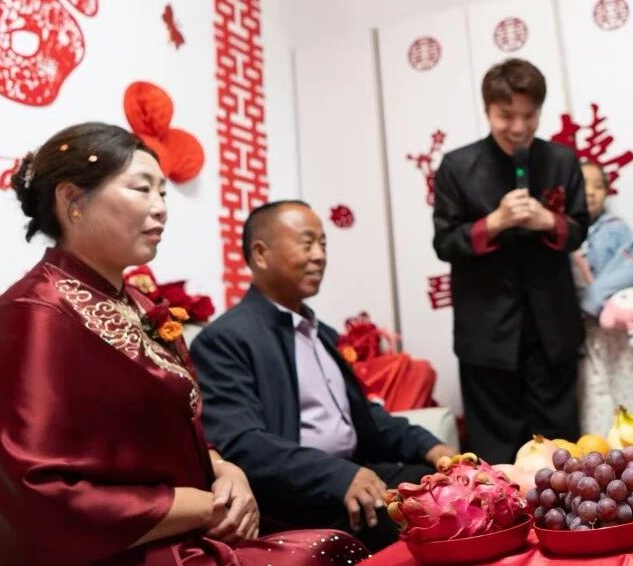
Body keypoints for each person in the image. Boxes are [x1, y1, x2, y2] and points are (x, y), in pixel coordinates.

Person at [0, 123, 366, 565]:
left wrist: (227, 471)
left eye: (163, 193)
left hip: (173, 532)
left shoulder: (140, 305)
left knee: (331, 544)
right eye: (141, 189)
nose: (160, 208)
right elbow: (34, 493)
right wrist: (201, 506)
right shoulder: (34, 313)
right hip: (107, 549)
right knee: (325, 551)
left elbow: (177, 430)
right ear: (72, 200)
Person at [190, 200, 456, 553]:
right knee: (431, 520)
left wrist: (431, 447)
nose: (319, 256)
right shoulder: (226, 339)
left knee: (456, 491)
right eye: (306, 243)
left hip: (353, 474)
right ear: (261, 253)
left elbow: (363, 417)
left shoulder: (321, 334)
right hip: (296, 497)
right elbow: (241, 442)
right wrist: (339, 476)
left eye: (323, 244)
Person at [431, 58, 589, 463]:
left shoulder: (562, 161)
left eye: (529, 115)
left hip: (552, 331)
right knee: (496, 457)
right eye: (506, 115)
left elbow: (577, 230)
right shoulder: (457, 167)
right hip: (487, 334)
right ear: (487, 110)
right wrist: (495, 222)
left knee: (562, 454)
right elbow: (445, 243)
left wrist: (546, 220)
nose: (519, 127)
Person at [572, 160, 633, 435]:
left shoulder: (616, 228)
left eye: (598, 186)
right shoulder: (564, 234)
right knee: (595, 403)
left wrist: (590, 302)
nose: (590, 192)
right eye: (583, 185)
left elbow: (630, 270)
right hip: (588, 334)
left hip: (625, 332)